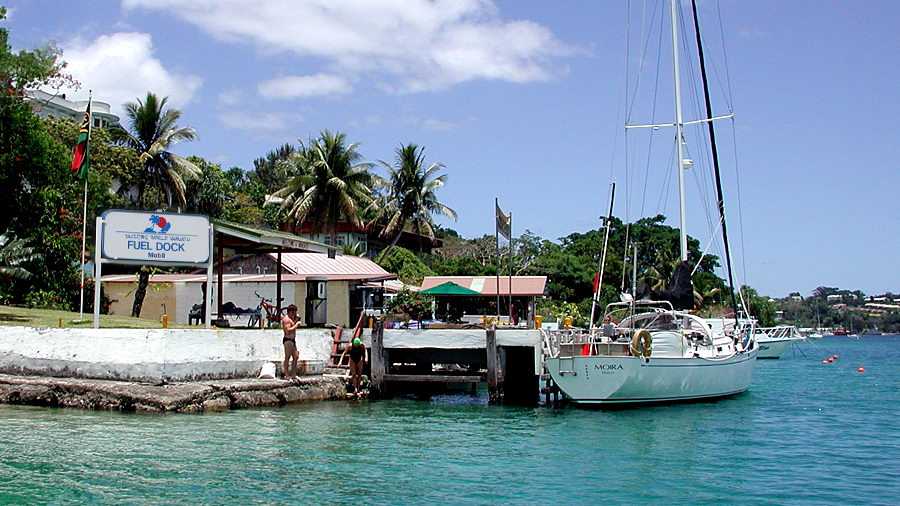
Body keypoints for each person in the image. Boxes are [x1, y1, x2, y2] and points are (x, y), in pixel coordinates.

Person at [282, 305, 301, 379]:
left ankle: (293, 374)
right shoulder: (286, 319)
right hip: (288, 340)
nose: (295, 313)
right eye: (294, 312)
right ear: (290, 312)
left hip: (293, 340)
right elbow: (288, 331)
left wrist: (296, 320)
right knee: (287, 357)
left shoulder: (292, 319)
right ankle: (286, 374)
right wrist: (296, 325)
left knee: (296, 356)